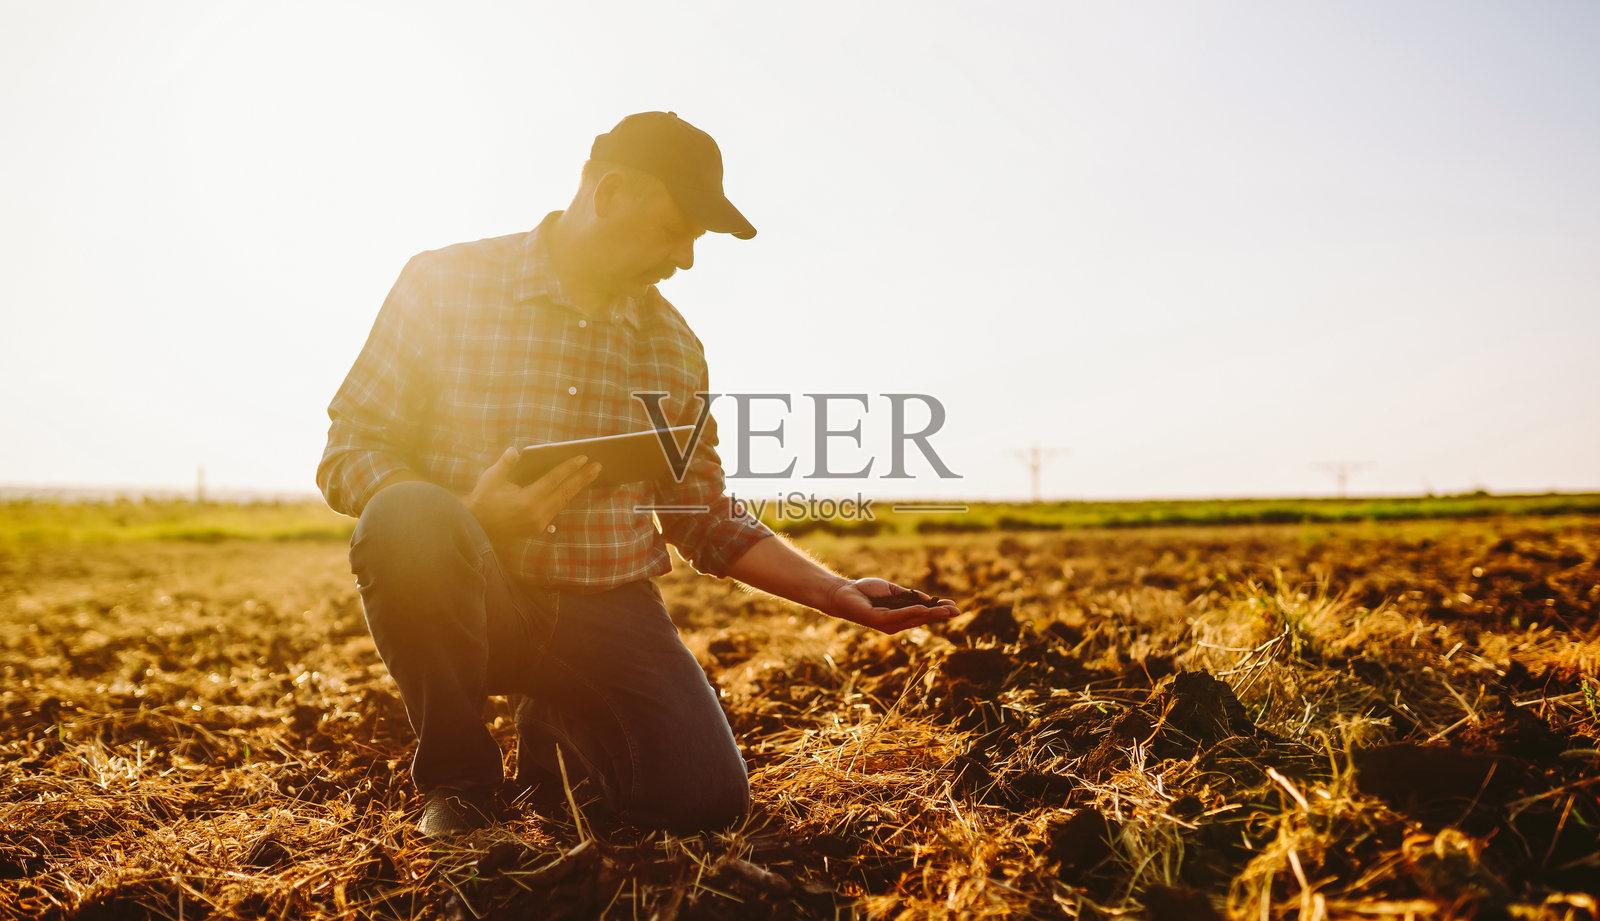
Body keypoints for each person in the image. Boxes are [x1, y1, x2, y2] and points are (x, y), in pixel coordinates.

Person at [317, 111, 960, 837]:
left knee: (704, 801)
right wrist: (468, 513)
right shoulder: (444, 283)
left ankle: (557, 728)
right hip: (470, 595)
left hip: (605, 606)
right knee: (405, 515)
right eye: (675, 229)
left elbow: (703, 514)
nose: (686, 258)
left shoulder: (676, 347)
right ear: (612, 192)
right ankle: (460, 781)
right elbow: (352, 446)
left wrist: (836, 592)